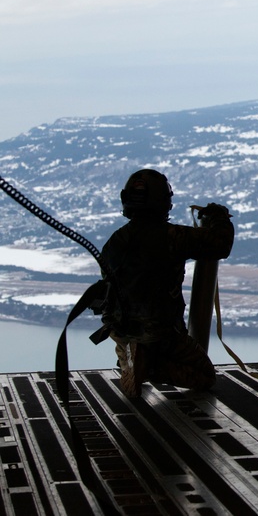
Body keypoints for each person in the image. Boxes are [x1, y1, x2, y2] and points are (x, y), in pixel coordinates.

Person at [98, 169, 234, 398]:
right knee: (203, 375)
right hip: (160, 332)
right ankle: (148, 367)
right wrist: (219, 217)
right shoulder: (172, 236)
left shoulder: (115, 241)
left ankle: (131, 360)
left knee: (133, 348)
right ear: (163, 201)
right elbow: (220, 245)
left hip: (122, 331)